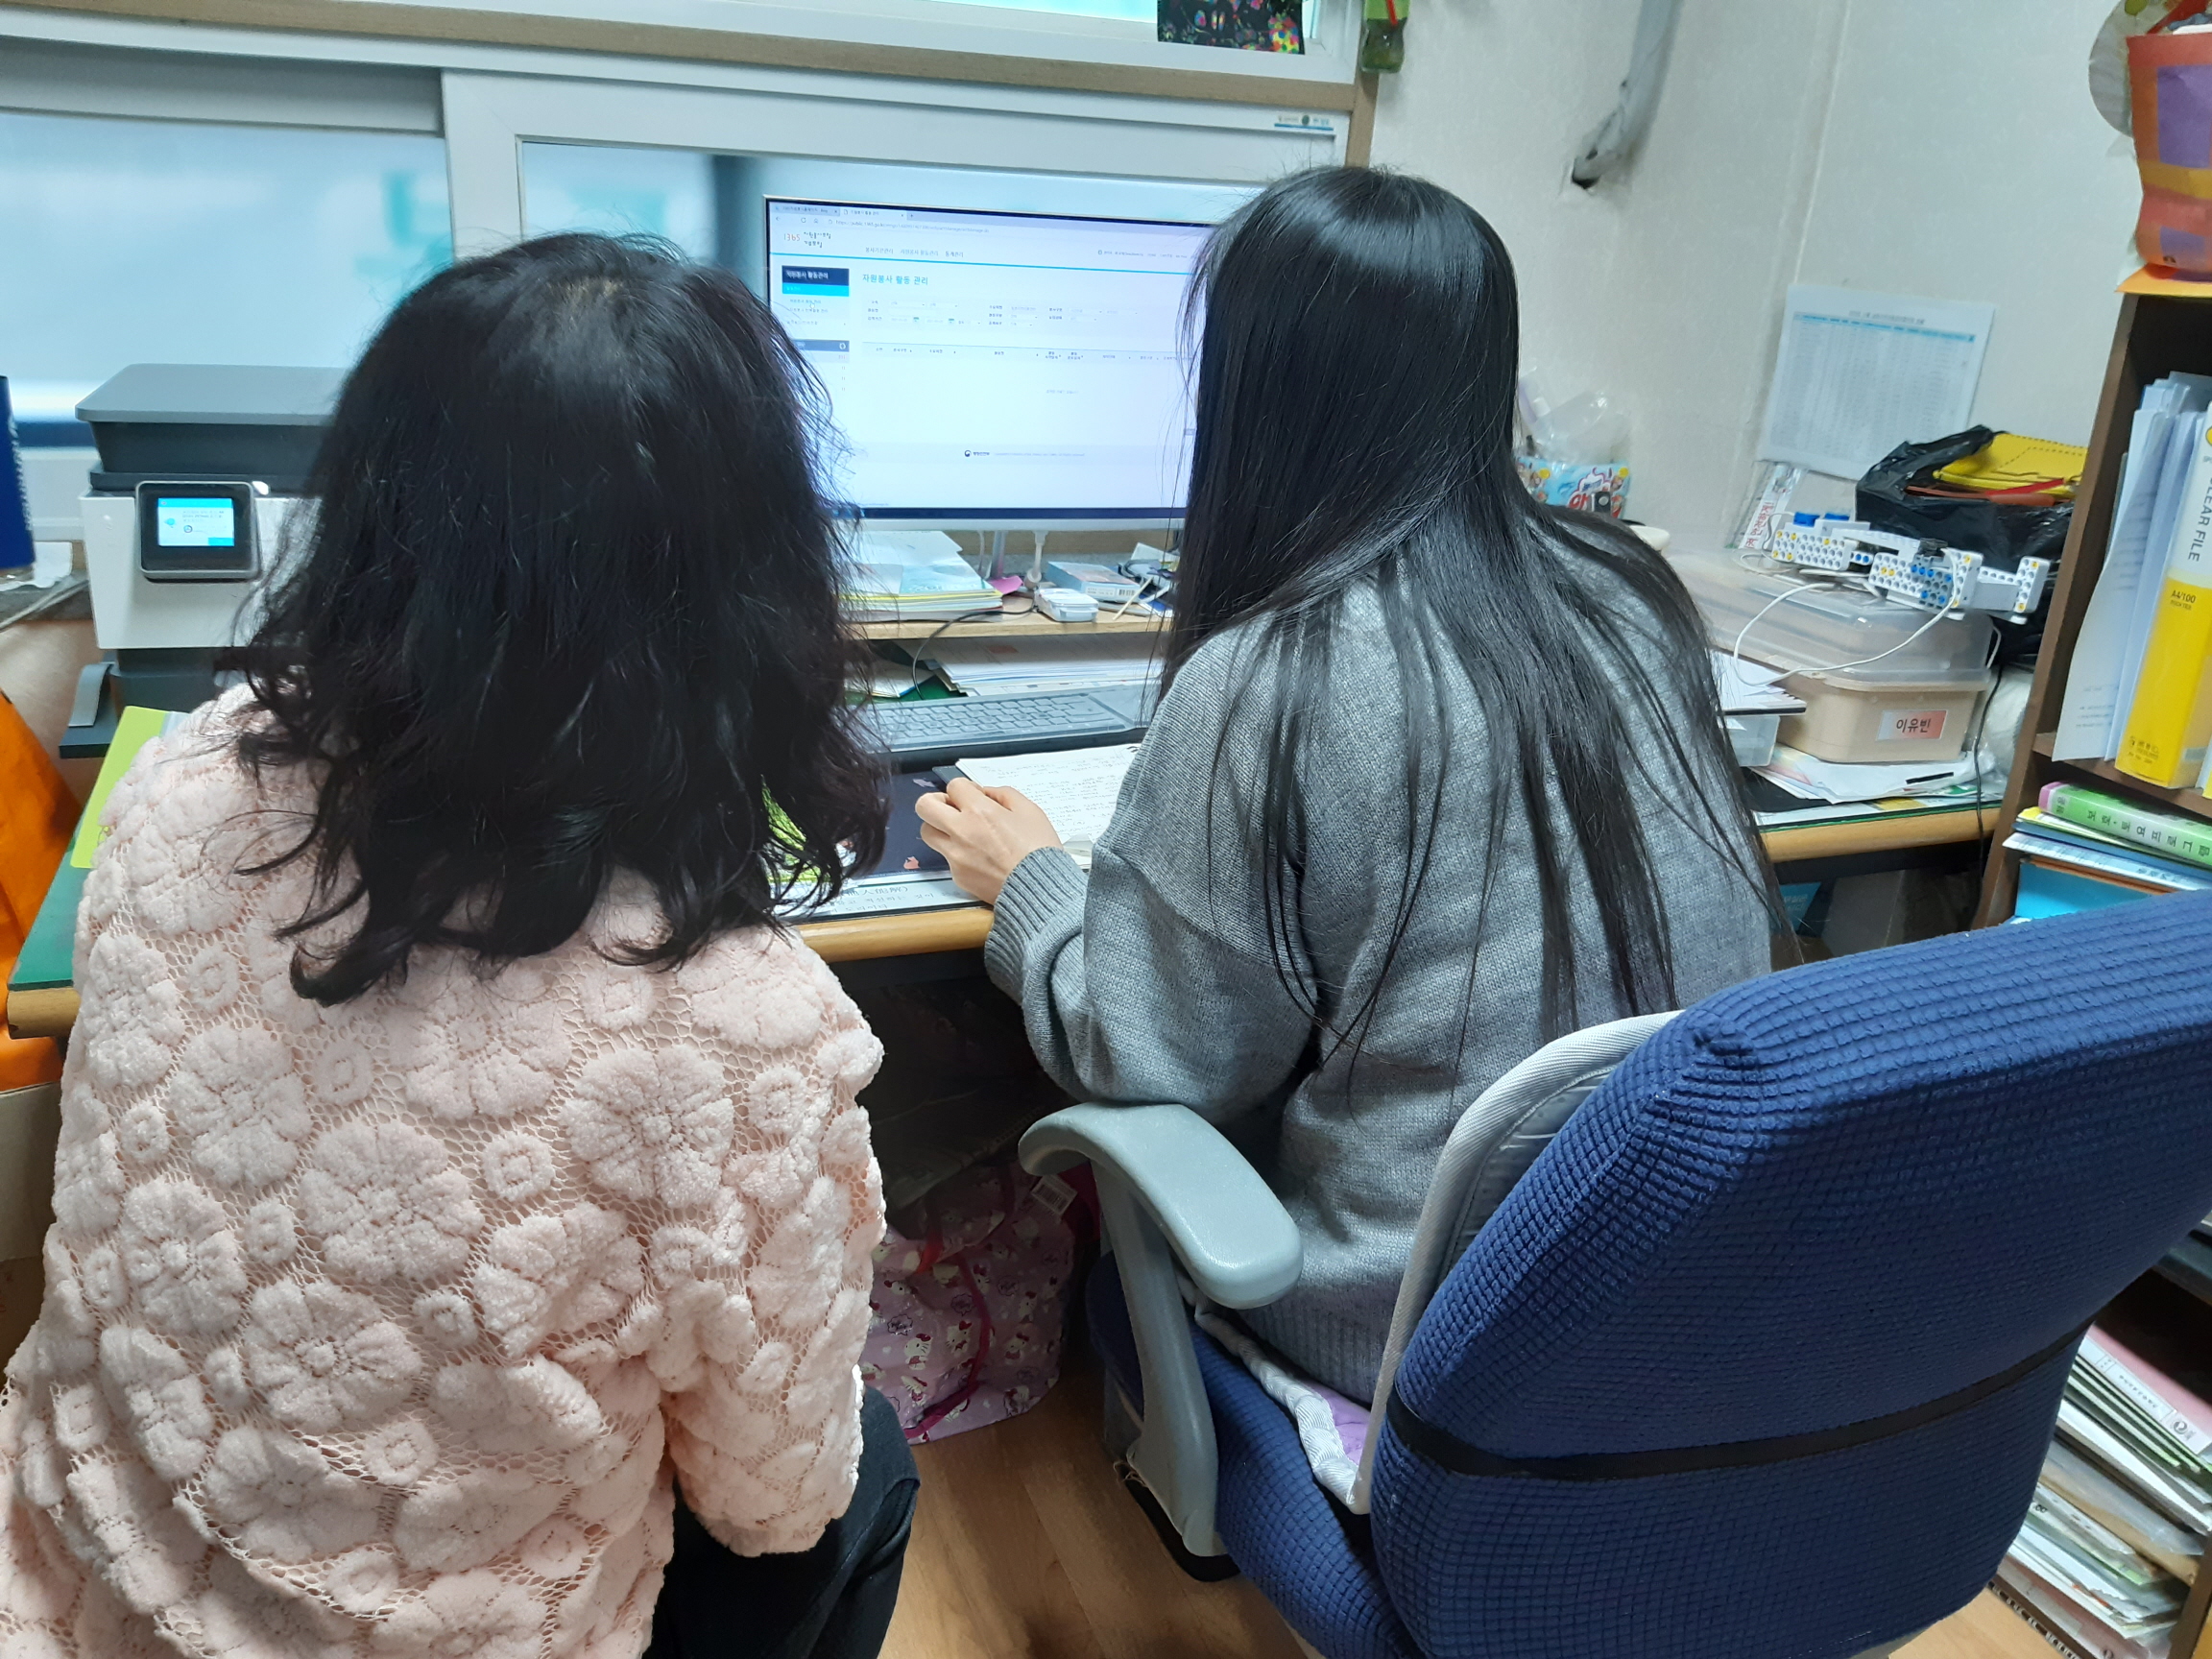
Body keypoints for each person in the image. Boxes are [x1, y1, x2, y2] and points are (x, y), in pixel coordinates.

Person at [0, 234, 918, 1659]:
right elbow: (773, 1507)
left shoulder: (180, 781)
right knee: (869, 1466)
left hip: (79, 1582)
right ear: (757, 587)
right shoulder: (740, 1031)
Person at [917, 168, 1776, 1406]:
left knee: (1102, 1269)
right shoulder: (1629, 596)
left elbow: (1161, 1062)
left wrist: (1034, 888)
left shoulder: (1278, 669)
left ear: (1255, 390)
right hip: (1668, 1284)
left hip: (1419, 1321)